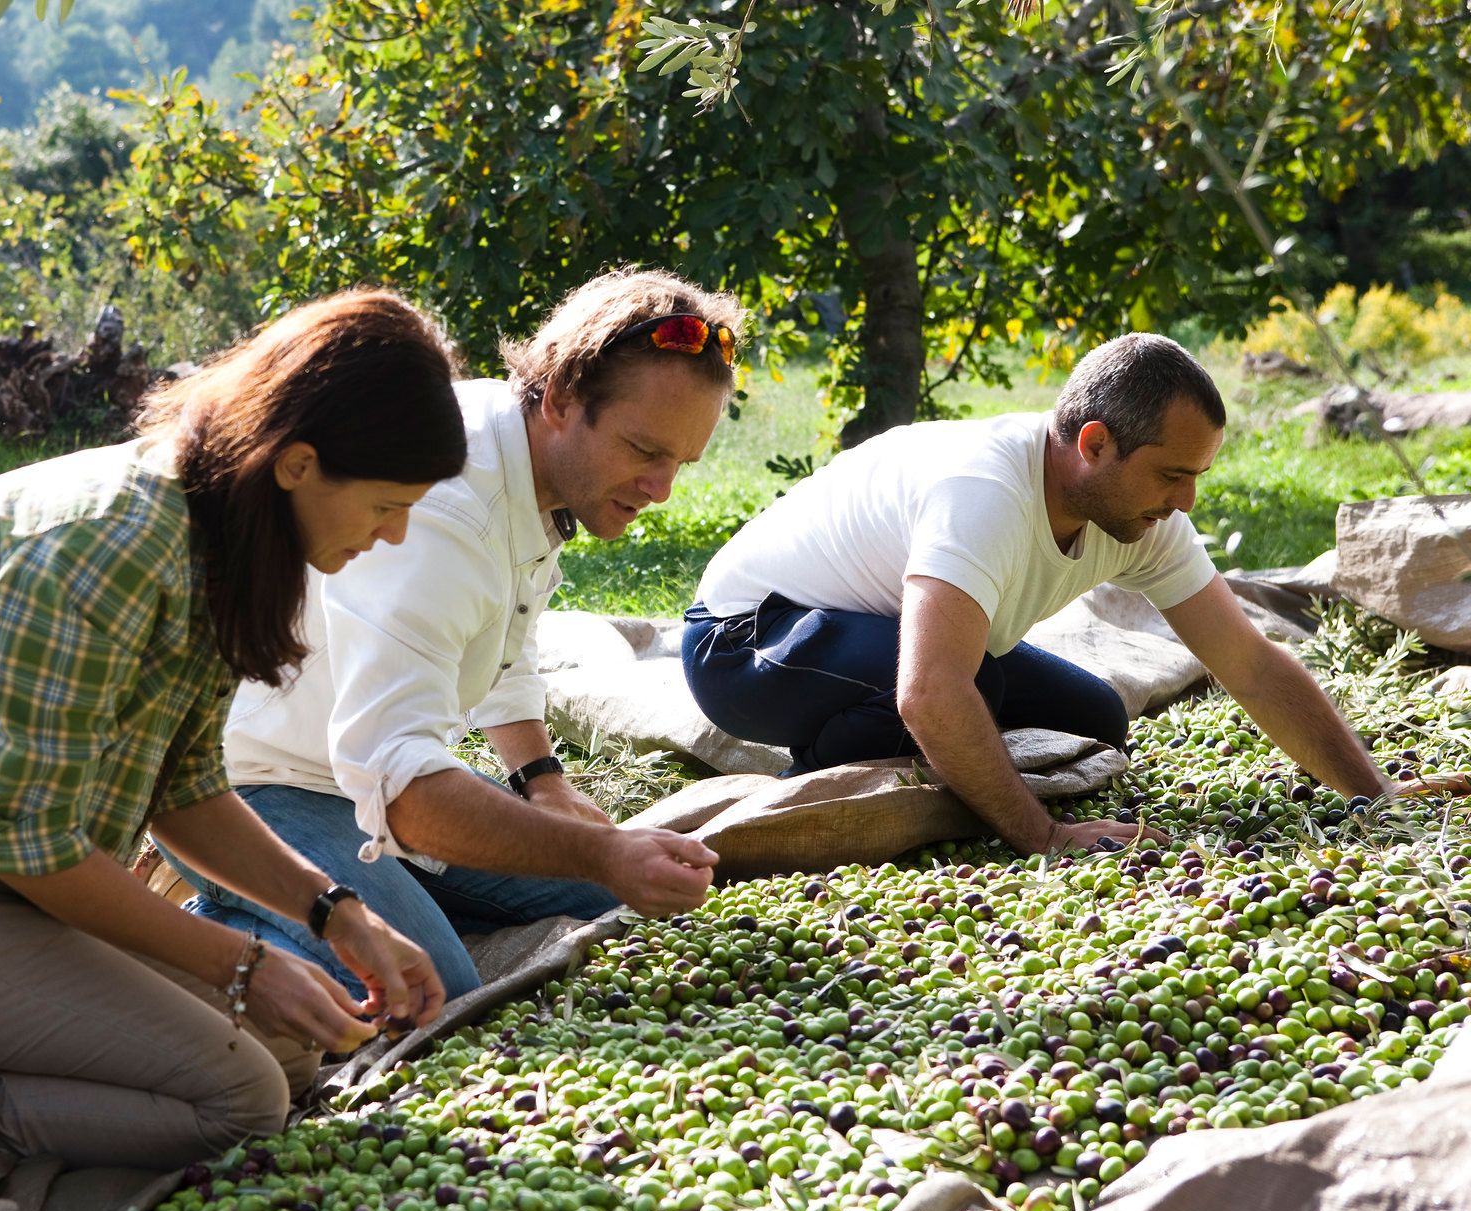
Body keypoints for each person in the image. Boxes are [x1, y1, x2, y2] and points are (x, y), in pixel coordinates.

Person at [0, 291, 464, 1170]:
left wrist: (335, 914)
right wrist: (244, 962)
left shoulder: (221, 534)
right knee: (239, 1099)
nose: (394, 533)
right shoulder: (113, 543)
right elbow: (32, 844)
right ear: (296, 463)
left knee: (289, 1055)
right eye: (385, 504)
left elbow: (184, 791)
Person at [167, 268, 738, 1001]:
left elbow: (504, 637)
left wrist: (542, 779)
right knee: (432, 987)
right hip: (260, 782)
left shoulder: (534, 462)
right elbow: (402, 785)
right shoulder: (447, 511)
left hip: (361, 772)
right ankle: (193, 928)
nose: (661, 490)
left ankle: (379, 893)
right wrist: (602, 849)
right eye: (644, 450)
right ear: (562, 398)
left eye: (680, 464)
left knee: (611, 904)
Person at [683, 332, 1468, 855]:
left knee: (1095, 717)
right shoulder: (985, 490)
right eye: (1171, 475)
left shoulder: (1146, 512)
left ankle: (928, 748)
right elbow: (929, 690)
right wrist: (1046, 836)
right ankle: (821, 769)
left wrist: (1376, 792)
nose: (1186, 502)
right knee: (964, 689)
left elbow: (1251, 664)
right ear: (1094, 445)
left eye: (1197, 477)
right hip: (745, 639)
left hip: (872, 627)